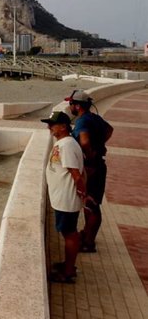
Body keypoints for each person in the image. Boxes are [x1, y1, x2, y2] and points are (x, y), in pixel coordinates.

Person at [66, 89, 114, 253]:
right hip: (99, 164)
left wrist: (89, 155)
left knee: (91, 203)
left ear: (77, 106)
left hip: (92, 167)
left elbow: (84, 142)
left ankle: (88, 242)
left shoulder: (82, 121)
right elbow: (109, 130)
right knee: (92, 203)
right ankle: (88, 236)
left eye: (71, 103)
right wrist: (100, 145)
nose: (69, 106)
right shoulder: (95, 118)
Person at [42, 111, 86, 284]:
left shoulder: (67, 146)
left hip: (66, 200)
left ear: (64, 127)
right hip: (62, 199)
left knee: (69, 234)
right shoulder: (64, 143)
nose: (49, 127)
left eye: (52, 124)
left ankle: (68, 272)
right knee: (67, 232)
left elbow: (76, 175)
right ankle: (68, 265)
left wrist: (83, 194)